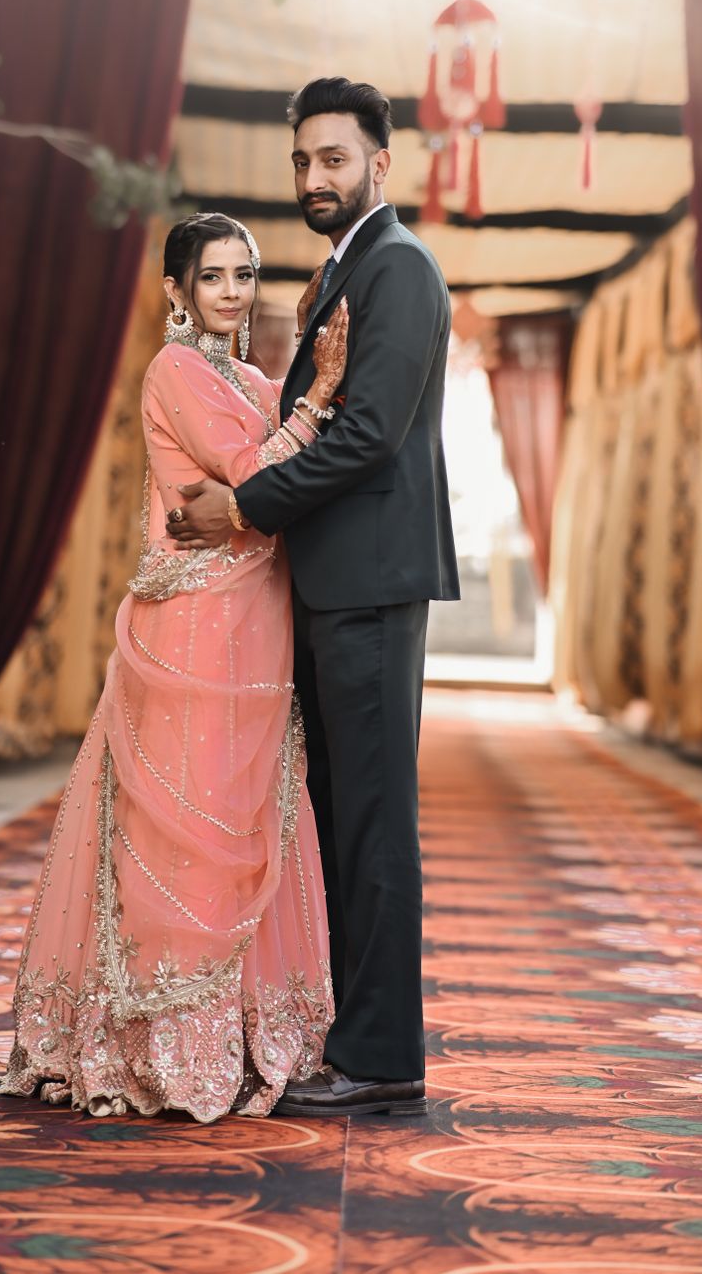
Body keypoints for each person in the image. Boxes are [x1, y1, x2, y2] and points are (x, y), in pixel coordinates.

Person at [0, 211, 349, 1123]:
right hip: (191, 624)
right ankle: (153, 1042)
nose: (232, 291)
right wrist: (313, 405)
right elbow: (254, 472)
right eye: (215, 275)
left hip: (258, 620)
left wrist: (305, 387)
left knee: (249, 813)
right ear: (176, 290)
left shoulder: (251, 377)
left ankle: (234, 1035)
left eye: (245, 274)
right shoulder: (176, 369)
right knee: (181, 822)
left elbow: (270, 481)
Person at [166, 78, 459, 1118]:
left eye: (333, 158)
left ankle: (381, 1057)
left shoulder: (400, 269)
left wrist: (241, 506)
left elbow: (368, 432)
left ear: (381, 162)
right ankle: (348, 1035)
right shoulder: (347, 271)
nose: (313, 178)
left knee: (373, 819)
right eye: (301, 161)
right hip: (335, 582)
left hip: (372, 581)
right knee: (339, 812)